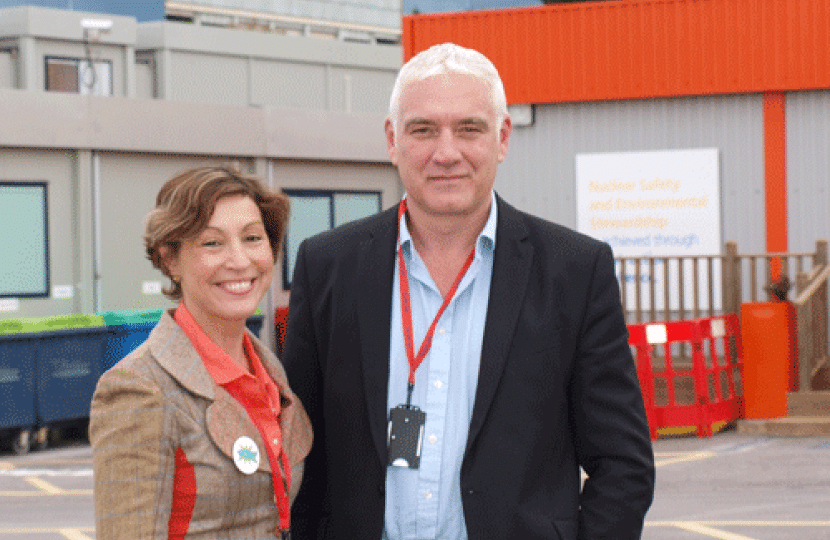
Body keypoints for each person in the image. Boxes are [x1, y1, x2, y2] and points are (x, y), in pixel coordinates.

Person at [283, 43, 656, 540]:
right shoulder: (327, 266)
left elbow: (623, 464)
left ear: (502, 138)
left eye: (468, 129)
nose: (446, 153)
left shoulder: (574, 272)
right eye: (423, 130)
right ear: (392, 139)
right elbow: (297, 451)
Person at [89, 166, 312, 540]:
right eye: (212, 243)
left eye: (252, 238)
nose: (239, 260)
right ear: (170, 259)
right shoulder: (139, 389)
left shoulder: (269, 370)